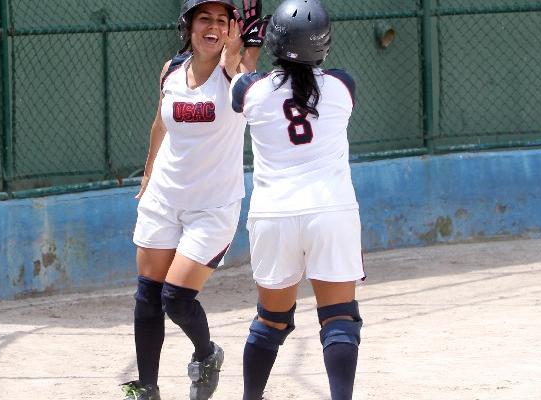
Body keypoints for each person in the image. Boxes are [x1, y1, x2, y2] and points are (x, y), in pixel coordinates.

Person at [121, 1, 268, 399]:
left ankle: (206, 355)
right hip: (164, 198)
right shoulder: (171, 70)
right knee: (147, 295)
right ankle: (146, 387)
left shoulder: (235, 73)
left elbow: (244, 59)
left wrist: (244, 44)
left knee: (176, 297)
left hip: (213, 207)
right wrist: (149, 173)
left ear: (230, 31)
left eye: (222, 21)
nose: (213, 27)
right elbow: (159, 124)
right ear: (188, 25)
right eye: (205, 18)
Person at [229, 0, 365, 399]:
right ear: (323, 44)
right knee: (339, 319)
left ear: (274, 40)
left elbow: (240, 80)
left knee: (270, 319)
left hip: (274, 215)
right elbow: (303, 85)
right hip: (331, 211)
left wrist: (241, 48)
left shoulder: (250, 90)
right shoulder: (343, 85)